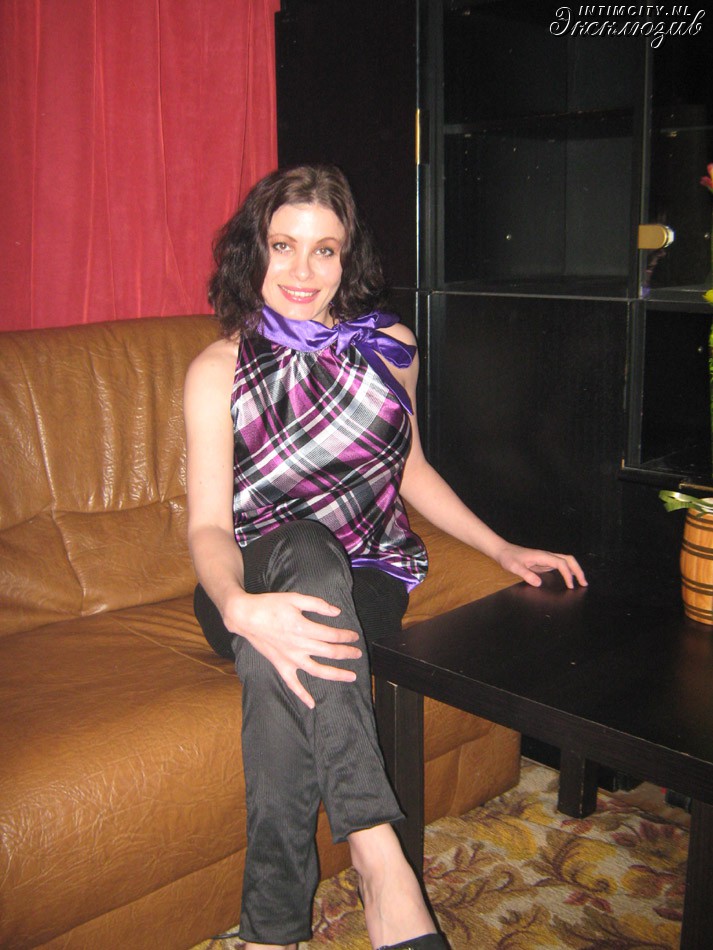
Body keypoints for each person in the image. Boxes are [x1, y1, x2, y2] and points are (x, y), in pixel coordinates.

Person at [184, 164, 587, 950]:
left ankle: (272, 927)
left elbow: (411, 471)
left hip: (366, 570)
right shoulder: (217, 368)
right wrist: (235, 604)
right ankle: (379, 857)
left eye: (324, 250)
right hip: (246, 573)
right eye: (283, 245)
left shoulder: (388, 347)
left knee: (280, 659)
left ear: (347, 259)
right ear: (253, 252)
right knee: (300, 557)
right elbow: (207, 527)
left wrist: (500, 545)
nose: (302, 271)